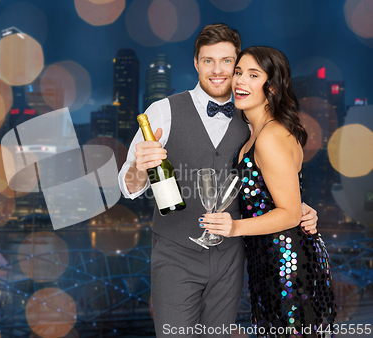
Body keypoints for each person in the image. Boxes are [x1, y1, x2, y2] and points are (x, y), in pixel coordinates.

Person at [118, 23, 319, 337]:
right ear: (195, 63)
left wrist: (297, 206)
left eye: (227, 61)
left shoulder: (251, 116)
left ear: (237, 65)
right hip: (175, 255)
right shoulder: (163, 111)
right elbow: (128, 187)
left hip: (231, 259)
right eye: (208, 60)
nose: (218, 70)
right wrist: (138, 168)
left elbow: (266, 174)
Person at [199, 46, 336, 337]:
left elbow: (287, 213)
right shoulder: (257, 133)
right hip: (269, 258)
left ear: (271, 87)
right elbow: (276, 194)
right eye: (238, 73)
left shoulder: (270, 136)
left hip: (288, 263)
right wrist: (302, 206)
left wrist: (234, 227)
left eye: (252, 75)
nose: (239, 81)